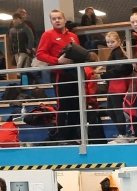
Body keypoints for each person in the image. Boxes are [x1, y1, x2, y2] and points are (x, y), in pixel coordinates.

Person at [35, 10, 81, 142]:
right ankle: (62, 136)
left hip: (74, 74)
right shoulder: (48, 35)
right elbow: (40, 54)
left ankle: (74, 136)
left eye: (59, 18)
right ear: (51, 21)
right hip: (60, 75)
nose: (57, 20)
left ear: (64, 19)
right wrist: (57, 61)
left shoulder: (73, 36)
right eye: (54, 19)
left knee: (76, 105)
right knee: (63, 106)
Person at [98, 31, 134, 142]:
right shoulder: (116, 52)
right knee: (111, 110)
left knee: (117, 110)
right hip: (114, 84)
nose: (110, 44)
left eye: (112, 42)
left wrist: (104, 75)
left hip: (118, 85)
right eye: (108, 42)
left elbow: (122, 68)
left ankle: (124, 133)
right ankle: (123, 132)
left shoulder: (118, 53)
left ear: (118, 41)